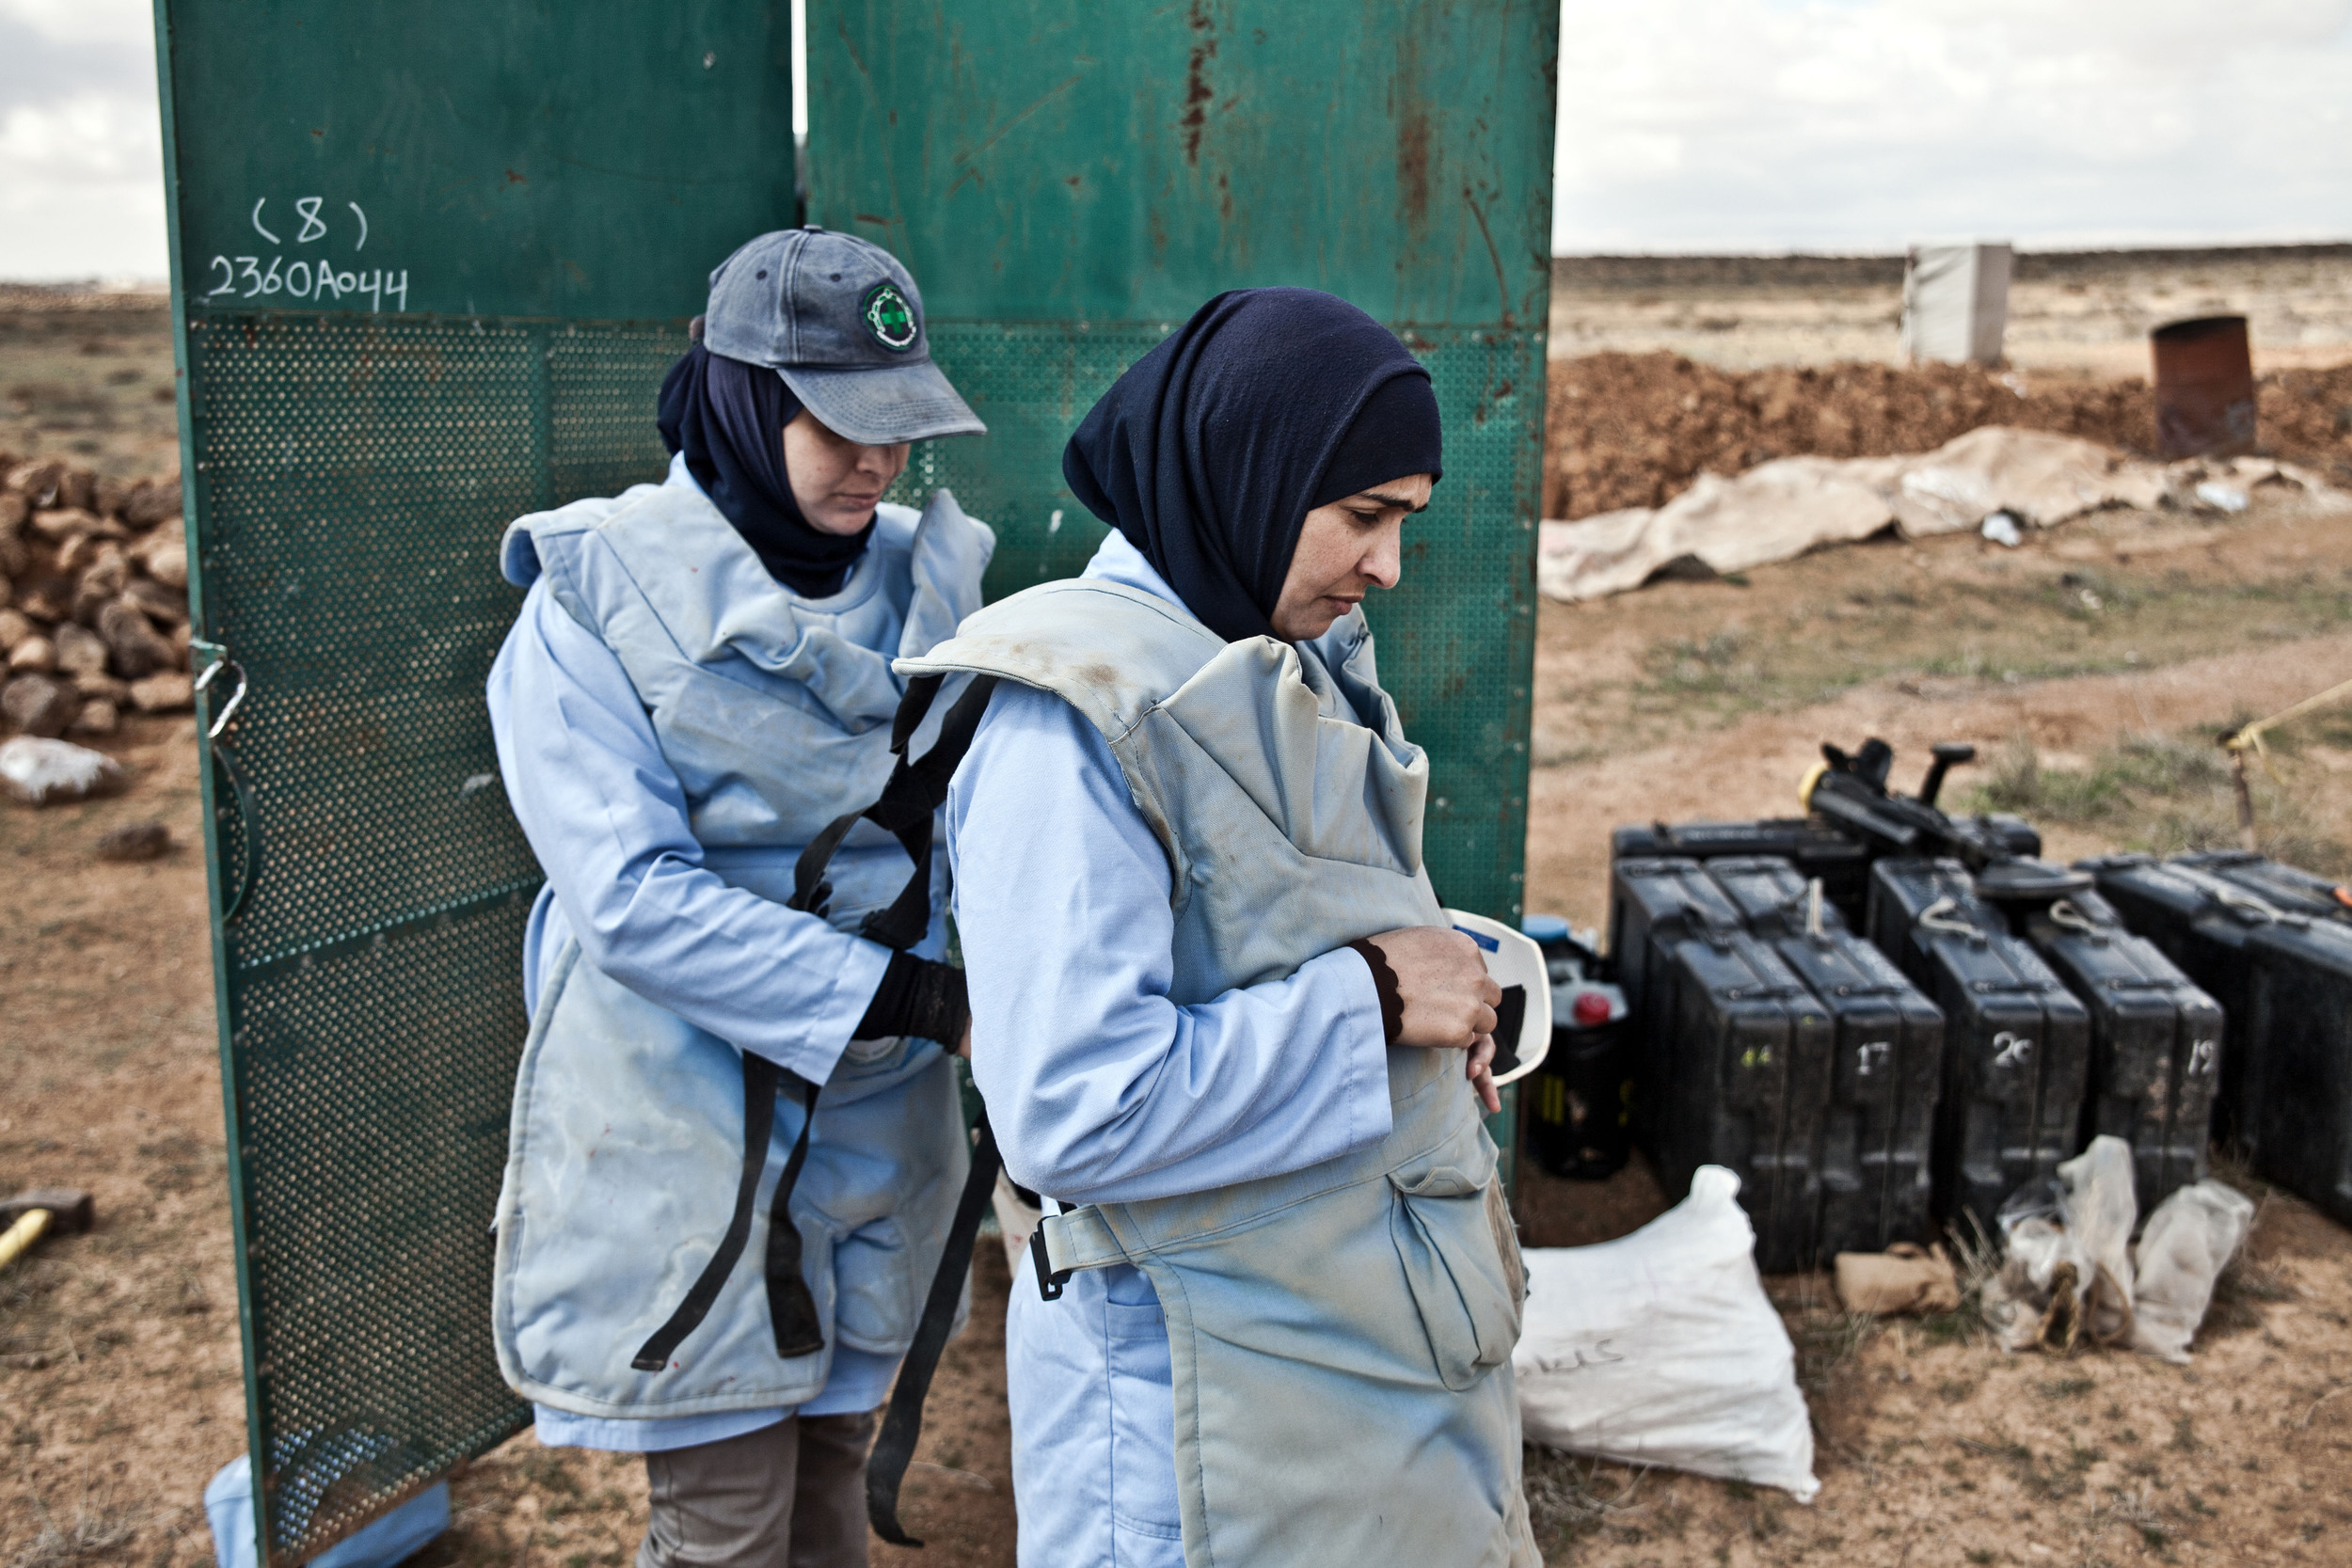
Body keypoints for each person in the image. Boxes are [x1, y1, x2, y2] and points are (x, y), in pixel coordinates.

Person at [905, 288, 1538, 1568]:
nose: (1388, 567)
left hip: (1324, 1371)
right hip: (1190, 1430)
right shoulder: (1073, 725)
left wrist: (1447, 988)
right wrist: (1366, 1006)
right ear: (1249, 467)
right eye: (1364, 517)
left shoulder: (1262, 649)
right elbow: (1077, 1107)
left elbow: (1275, 919)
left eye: (1402, 521)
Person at [484, 228, 992, 1568]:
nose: (877, 461)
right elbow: (632, 900)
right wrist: (913, 994)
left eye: (901, 426)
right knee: (724, 1520)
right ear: (742, 393)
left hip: (885, 1119)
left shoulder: (931, 579)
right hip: (685, 1115)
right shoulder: (594, 601)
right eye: (839, 423)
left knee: (831, 1476)